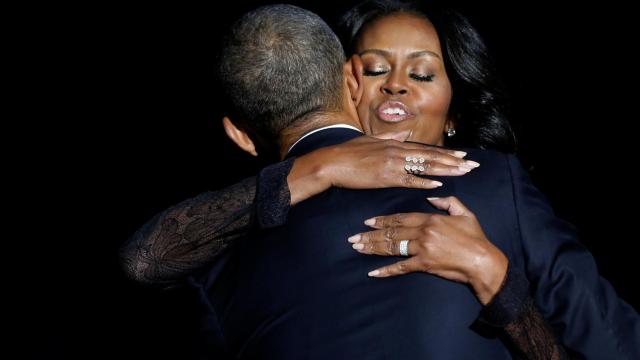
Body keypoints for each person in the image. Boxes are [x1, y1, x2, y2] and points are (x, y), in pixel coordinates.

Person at [120, 1, 639, 358]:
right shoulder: (235, 234)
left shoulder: (497, 187)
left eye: (421, 74)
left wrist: (495, 275)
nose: (395, 86)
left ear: (453, 112)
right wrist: (319, 166)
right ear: (345, 84)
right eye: (375, 70)